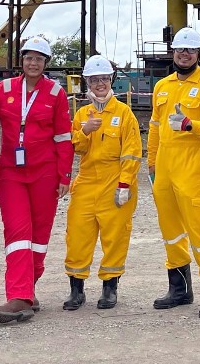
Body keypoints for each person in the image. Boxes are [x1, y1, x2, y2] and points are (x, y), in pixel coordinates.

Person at [0, 35, 72, 323]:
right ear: (22, 61)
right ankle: (18, 296)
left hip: (45, 173)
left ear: (46, 63)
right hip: (11, 173)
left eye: (39, 59)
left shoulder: (55, 94)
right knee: (18, 233)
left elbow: (63, 138)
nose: (33, 63)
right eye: (29, 57)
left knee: (40, 238)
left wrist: (64, 176)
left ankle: (28, 288)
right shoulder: (3, 89)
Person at [148, 27, 200, 318]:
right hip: (165, 169)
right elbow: (155, 127)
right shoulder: (163, 86)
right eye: (180, 49)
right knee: (170, 231)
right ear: (173, 52)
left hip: (193, 167)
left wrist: (190, 125)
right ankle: (179, 289)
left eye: (190, 50)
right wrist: (152, 163)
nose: (184, 54)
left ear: (199, 54)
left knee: (198, 231)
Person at [63, 55, 142, 311]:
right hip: (86, 181)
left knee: (115, 236)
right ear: (87, 81)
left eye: (104, 79)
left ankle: (110, 288)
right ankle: (76, 290)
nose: (100, 84)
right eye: (95, 80)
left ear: (111, 81)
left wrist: (125, 184)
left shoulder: (123, 113)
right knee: (77, 235)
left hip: (114, 180)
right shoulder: (82, 114)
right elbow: (76, 148)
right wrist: (84, 131)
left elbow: (132, 151)